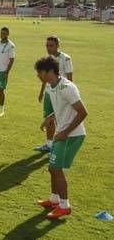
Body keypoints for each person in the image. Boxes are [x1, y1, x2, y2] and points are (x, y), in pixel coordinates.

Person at [34, 56, 87, 219]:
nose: (38, 76)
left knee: (56, 168)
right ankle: (54, 199)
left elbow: (82, 112)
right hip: (62, 134)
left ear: (50, 71)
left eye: (40, 72)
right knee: (52, 168)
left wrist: (65, 132)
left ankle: (64, 206)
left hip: (72, 135)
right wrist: (49, 118)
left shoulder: (67, 87)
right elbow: (61, 107)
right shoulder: (51, 87)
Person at [35, 36, 74, 153]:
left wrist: (69, 96)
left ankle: (63, 144)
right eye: (47, 45)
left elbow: (70, 79)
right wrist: (42, 92)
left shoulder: (66, 59)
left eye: (51, 45)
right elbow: (44, 78)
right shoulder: (47, 60)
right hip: (49, 93)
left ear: (57, 46)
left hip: (61, 94)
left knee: (62, 120)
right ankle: (49, 145)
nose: (48, 48)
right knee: (49, 119)